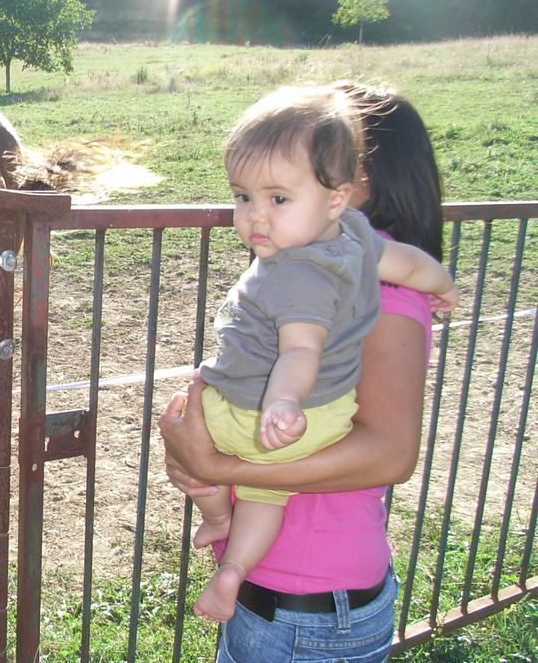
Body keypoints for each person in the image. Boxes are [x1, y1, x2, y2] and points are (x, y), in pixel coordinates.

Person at [159, 81, 449, 662]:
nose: (257, 212)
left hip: (305, 607)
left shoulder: (373, 285)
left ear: (354, 181)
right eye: (246, 195)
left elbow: (390, 453)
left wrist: (217, 463)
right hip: (290, 600)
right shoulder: (321, 264)